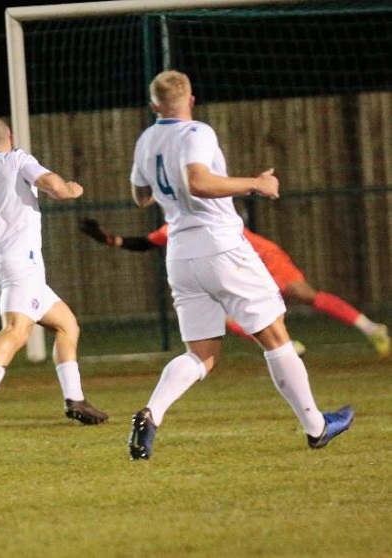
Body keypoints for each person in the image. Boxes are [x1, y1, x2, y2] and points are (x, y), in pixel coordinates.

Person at [125, 70, 353, 460]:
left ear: (153, 106)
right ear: (191, 100)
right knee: (275, 336)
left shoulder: (148, 139)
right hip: (221, 248)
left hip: (181, 254)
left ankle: (152, 413)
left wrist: (168, 193)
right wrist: (255, 184)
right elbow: (197, 181)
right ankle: (317, 426)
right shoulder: (196, 132)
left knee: (202, 354)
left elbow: (140, 195)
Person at [0, 116, 109, 434]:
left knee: (66, 325)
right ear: (11, 137)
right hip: (20, 266)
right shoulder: (17, 159)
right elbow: (54, 187)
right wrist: (70, 190)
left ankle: (75, 400)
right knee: (17, 330)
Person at [80, 219, 390, 357]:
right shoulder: (171, 228)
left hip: (262, 257)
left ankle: (371, 327)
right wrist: (108, 239)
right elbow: (144, 243)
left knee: (305, 294)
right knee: (230, 319)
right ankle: (287, 347)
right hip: (235, 270)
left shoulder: (207, 209)